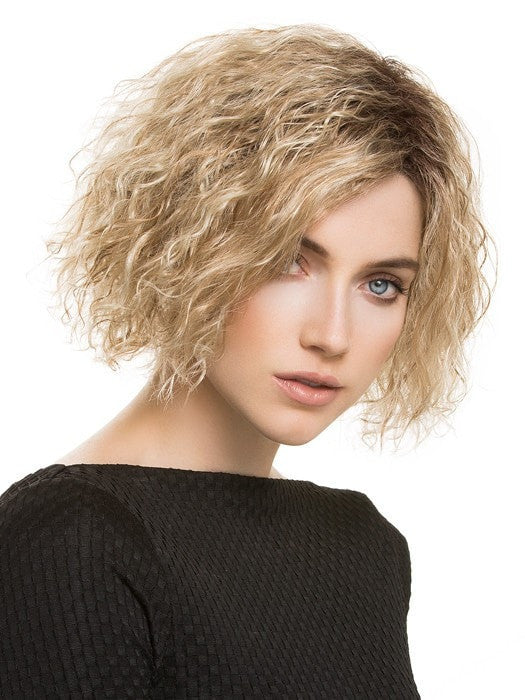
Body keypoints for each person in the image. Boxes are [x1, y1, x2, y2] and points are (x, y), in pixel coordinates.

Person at [0, 23, 494, 697]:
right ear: (188, 245)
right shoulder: (69, 540)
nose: (332, 335)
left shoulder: (364, 547)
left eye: (381, 285)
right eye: (288, 261)